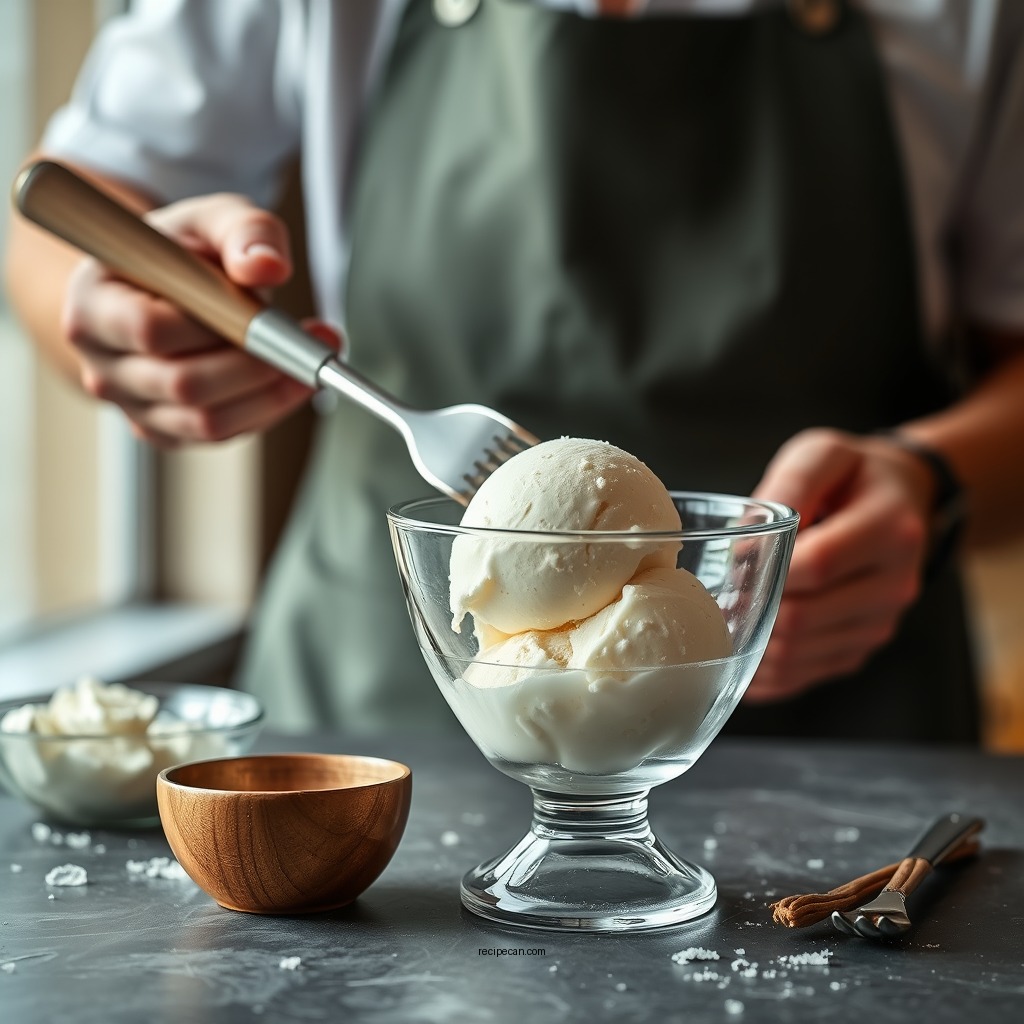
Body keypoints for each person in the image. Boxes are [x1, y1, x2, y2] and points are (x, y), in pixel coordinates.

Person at [6, 0, 1024, 743]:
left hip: (839, 726)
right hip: (383, 707)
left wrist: (930, 483)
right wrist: (113, 312)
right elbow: (63, 223)